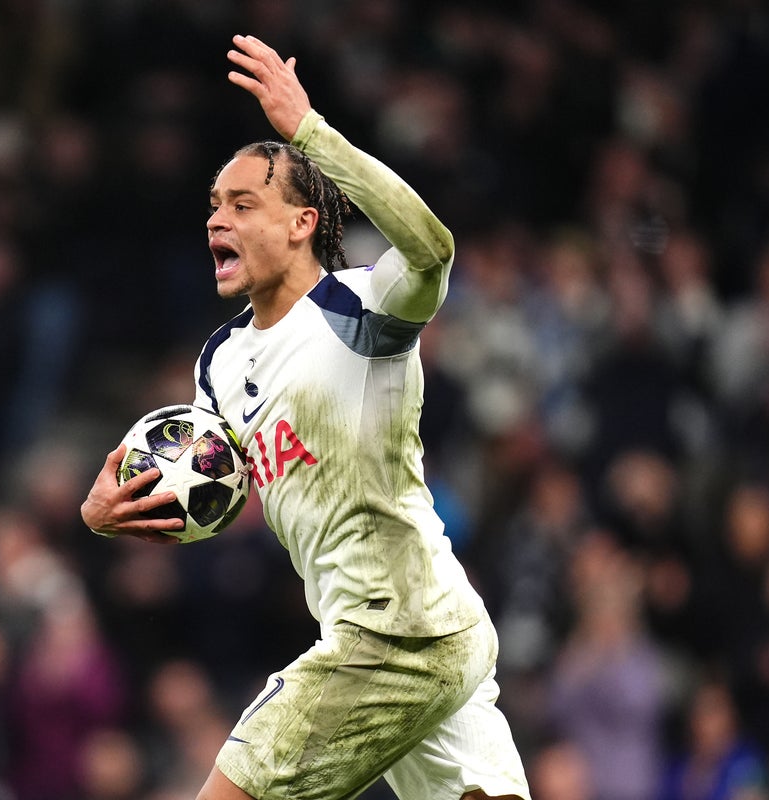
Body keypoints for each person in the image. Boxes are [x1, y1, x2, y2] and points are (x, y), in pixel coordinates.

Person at [81, 34, 531, 800]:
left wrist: (311, 132)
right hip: (417, 632)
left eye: (243, 204)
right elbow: (215, 493)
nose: (217, 220)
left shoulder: (364, 308)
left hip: (394, 631)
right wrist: (112, 510)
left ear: (300, 223)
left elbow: (432, 250)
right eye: (214, 206)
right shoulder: (221, 363)